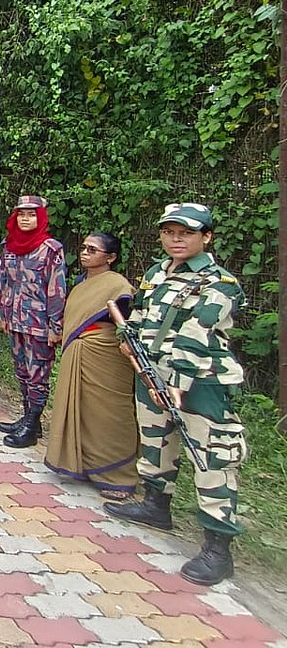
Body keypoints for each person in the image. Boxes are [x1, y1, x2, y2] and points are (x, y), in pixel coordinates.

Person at [103, 203, 246, 586]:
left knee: (211, 456)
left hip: (199, 384)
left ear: (207, 236)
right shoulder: (156, 274)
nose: (176, 239)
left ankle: (218, 547)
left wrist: (178, 381)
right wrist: (126, 338)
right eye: (169, 232)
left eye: (185, 233)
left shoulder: (220, 283)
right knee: (155, 440)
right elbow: (139, 313)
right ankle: (155, 504)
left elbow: (198, 333)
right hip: (150, 374)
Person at [44, 232, 138, 499]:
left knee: (107, 412)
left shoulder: (118, 286)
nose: (85, 253)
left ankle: (116, 473)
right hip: (79, 351)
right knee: (81, 409)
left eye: (92, 250)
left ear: (111, 257)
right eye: (84, 248)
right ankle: (82, 463)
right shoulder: (81, 283)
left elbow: (125, 325)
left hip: (105, 355)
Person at [0, 194, 67, 448]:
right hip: (15, 319)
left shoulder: (50, 248)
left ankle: (32, 422)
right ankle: (29, 419)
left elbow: (56, 289)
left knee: (38, 373)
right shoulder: (10, 246)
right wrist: (5, 314)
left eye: (31, 215)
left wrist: (55, 326)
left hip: (39, 322)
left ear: (41, 218)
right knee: (22, 370)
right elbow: (5, 283)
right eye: (22, 214)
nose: (26, 219)